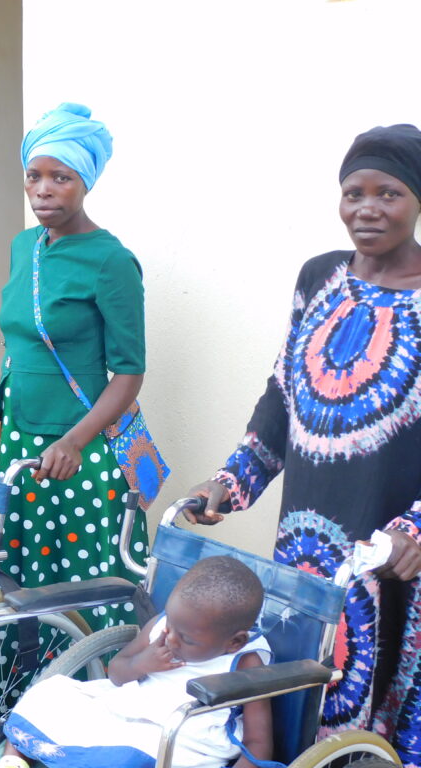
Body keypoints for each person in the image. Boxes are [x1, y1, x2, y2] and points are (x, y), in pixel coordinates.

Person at [186, 124, 421, 768]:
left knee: (378, 710)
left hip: (393, 552)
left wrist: (413, 533)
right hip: (307, 542)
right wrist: (230, 482)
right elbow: (284, 394)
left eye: (389, 193)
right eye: (353, 192)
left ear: (418, 199)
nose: (367, 208)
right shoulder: (319, 276)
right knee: (298, 690)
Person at [0, 104, 149, 696]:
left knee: (87, 583)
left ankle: (96, 702)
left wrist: (74, 440)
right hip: (21, 444)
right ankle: (24, 702)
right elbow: (21, 349)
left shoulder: (112, 261)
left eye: (60, 177)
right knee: (22, 577)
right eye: (34, 176)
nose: (44, 190)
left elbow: (129, 375)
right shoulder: (24, 247)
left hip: (84, 455)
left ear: (85, 181)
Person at [0, 556, 271, 768]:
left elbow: (258, 744)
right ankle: (14, 758)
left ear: (233, 642)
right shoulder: (164, 626)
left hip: (180, 736)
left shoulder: (245, 663)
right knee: (50, 692)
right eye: (171, 625)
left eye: (186, 639)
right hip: (128, 706)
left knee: (128, 757)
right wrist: (144, 662)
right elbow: (116, 671)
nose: (171, 639)